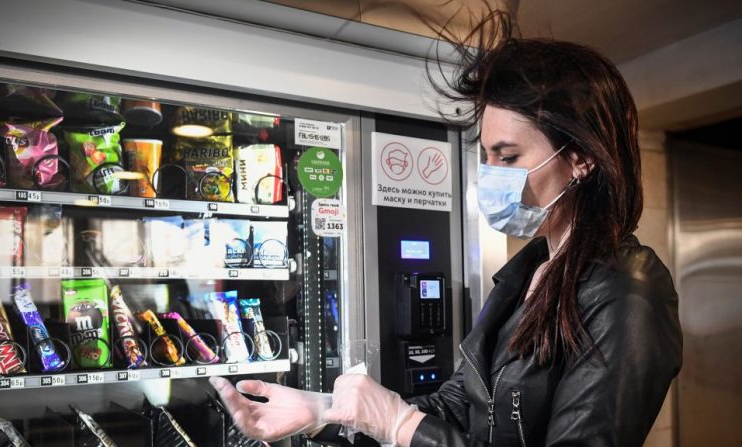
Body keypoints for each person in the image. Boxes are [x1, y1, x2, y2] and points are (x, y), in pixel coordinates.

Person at [210, 7, 682, 447]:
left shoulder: (625, 291)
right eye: (489, 155)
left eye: (509, 156)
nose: (492, 172)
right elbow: (460, 406)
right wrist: (329, 411)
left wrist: (400, 424)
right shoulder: (528, 274)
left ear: (580, 158)